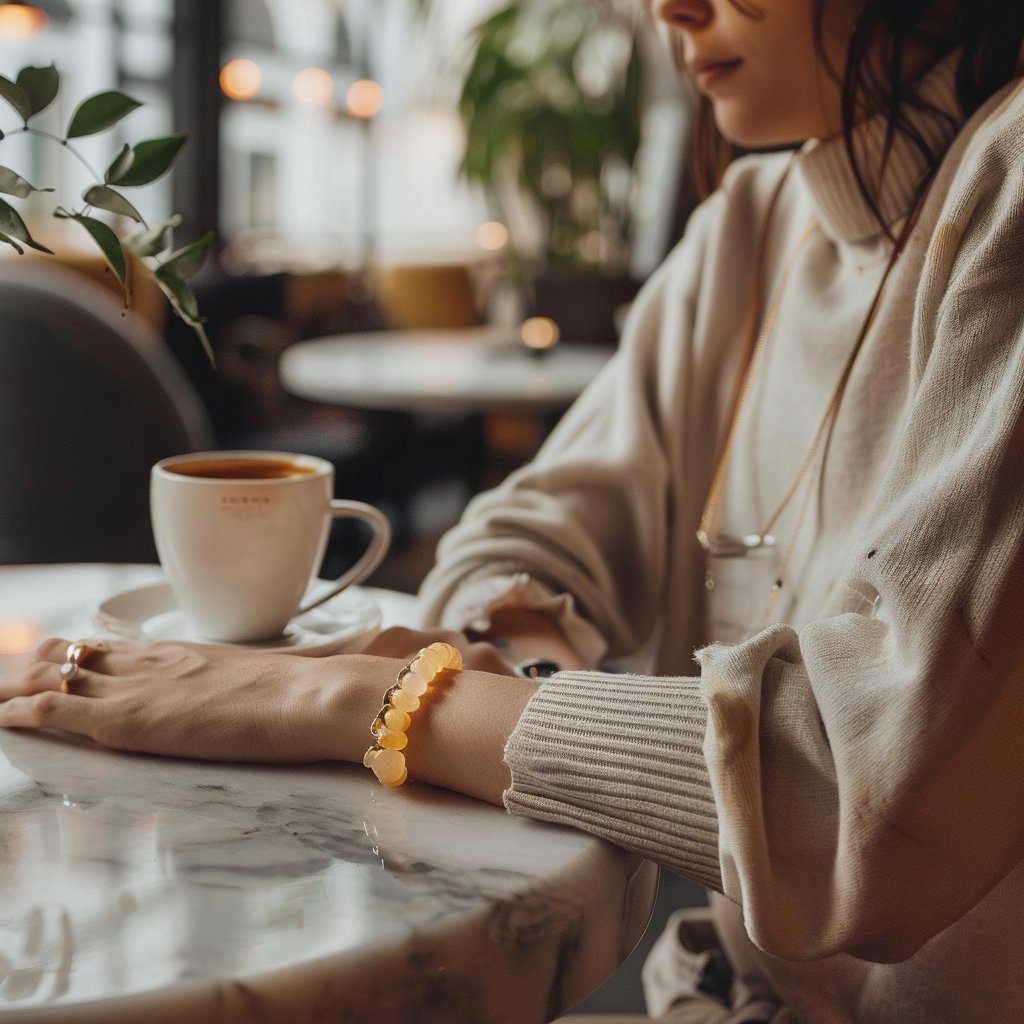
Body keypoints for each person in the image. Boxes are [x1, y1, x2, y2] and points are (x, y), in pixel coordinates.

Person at [3, 0, 1024, 1020]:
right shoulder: (751, 223)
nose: (672, 8)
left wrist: (363, 700)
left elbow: (876, 804)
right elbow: (521, 526)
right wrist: (532, 691)